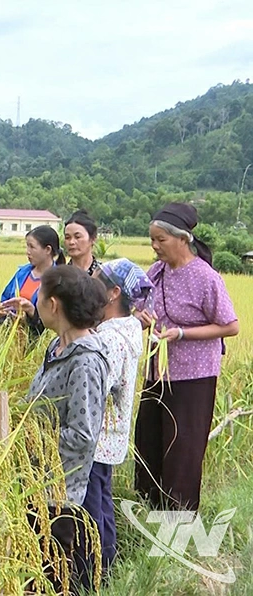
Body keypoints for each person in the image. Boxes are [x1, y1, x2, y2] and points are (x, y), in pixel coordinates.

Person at [134, 203, 239, 511]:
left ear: (182, 239)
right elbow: (141, 306)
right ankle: (146, 509)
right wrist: (141, 318)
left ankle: (177, 521)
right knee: (149, 440)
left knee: (182, 448)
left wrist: (181, 333)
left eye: (160, 240)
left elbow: (230, 326)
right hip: (157, 372)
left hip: (193, 377)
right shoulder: (156, 272)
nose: (155, 246)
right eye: (152, 240)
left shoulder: (205, 278)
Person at [26, 265, 111, 592]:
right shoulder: (56, 348)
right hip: (33, 484)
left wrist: (31, 439)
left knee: (53, 579)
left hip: (57, 496)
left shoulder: (86, 361)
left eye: (40, 294)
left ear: (54, 304)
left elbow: (82, 436)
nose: (36, 300)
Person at [82, 258, 151, 574]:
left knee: (92, 509)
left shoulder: (108, 340)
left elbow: (95, 386)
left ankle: (95, 571)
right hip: (111, 437)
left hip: (95, 438)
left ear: (113, 293)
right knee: (103, 504)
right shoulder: (129, 327)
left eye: (96, 277)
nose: (90, 280)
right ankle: (106, 567)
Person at [0, 225, 65, 338]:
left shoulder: (59, 280)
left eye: (32, 247)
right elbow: (5, 300)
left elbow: (58, 321)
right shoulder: (22, 273)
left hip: (37, 345)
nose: (27, 252)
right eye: (27, 246)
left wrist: (31, 311)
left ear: (48, 250)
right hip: (12, 341)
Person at [64, 210, 101, 275]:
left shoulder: (103, 274)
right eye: (67, 237)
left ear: (93, 239)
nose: (71, 242)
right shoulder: (60, 276)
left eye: (77, 237)